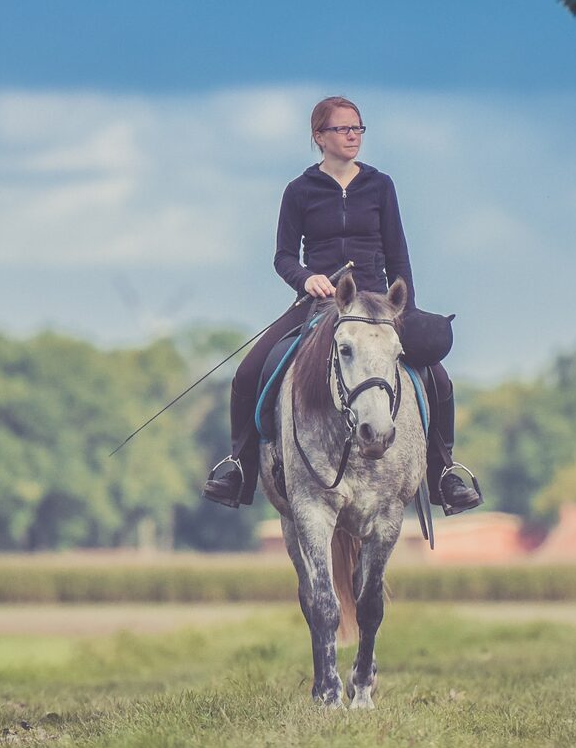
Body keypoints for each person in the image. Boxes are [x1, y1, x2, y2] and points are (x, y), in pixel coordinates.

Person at [202, 96, 483, 515]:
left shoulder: (380, 185)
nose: (353, 135)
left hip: (378, 304)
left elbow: (398, 255)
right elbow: (282, 256)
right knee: (248, 372)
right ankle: (238, 469)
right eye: (343, 129)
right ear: (319, 136)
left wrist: (404, 312)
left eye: (358, 128)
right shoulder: (299, 191)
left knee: (438, 380)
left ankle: (443, 473)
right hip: (319, 303)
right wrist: (305, 278)